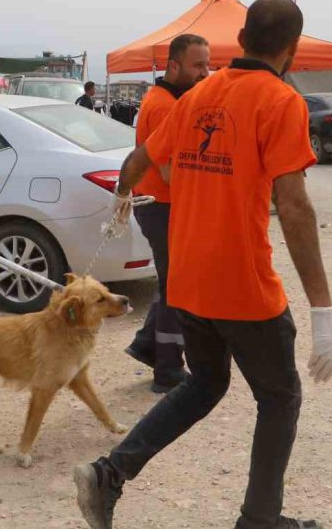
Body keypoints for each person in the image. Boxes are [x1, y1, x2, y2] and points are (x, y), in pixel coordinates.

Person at [74, 0, 332, 529]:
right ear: (290, 50)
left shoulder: (196, 95)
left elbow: (139, 158)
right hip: (242, 286)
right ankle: (259, 521)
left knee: (205, 383)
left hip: (190, 284)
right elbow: (293, 205)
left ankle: (110, 473)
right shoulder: (281, 100)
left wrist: (120, 201)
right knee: (280, 398)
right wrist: (322, 308)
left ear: (240, 41)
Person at [124, 33, 210, 394]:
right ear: (174, 66)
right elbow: (168, 172)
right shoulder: (164, 106)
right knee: (177, 286)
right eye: (198, 65)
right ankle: (168, 370)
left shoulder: (174, 99)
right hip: (162, 207)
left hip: (164, 205)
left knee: (171, 281)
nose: (206, 72)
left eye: (207, 63)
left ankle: (148, 344)